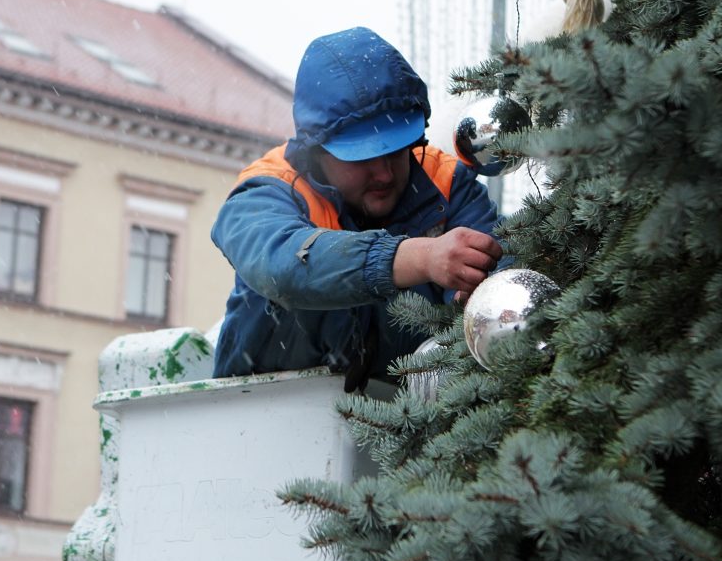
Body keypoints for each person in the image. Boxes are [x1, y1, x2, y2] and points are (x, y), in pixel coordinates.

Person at [211, 27, 503, 391]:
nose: (383, 172)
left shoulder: (446, 183)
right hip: (260, 413)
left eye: (396, 150)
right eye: (362, 156)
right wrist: (420, 258)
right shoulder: (266, 193)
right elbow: (282, 268)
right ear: (317, 150)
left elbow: (498, 275)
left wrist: (475, 295)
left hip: (403, 420)